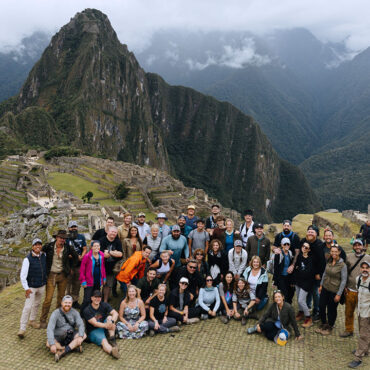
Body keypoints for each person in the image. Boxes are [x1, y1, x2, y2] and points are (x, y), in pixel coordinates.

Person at [39, 230, 78, 328]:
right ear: (56, 237)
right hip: (51, 276)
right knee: (48, 299)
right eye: (61, 238)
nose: (62, 240)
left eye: (64, 238)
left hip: (63, 275)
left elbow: (76, 257)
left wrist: (71, 268)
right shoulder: (49, 246)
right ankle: (43, 320)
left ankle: (56, 318)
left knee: (60, 298)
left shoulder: (68, 248)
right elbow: (39, 252)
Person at [341, 239, 370, 338]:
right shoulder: (348, 256)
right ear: (353, 247)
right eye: (355, 245)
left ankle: (363, 334)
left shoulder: (368, 258)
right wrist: (344, 285)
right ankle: (349, 330)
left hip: (363, 291)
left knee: (363, 315)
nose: (357, 247)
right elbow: (345, 272)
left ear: (362, 246)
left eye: (359, 245)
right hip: (350, 289)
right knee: (348, 311)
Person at [316, 245, 347, 335]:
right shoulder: (329, 261)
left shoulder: (342, 265)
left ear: (339, 252)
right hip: (325, 287)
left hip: (334, 290)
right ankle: (324, 323)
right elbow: (325, 273)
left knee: (331, 309)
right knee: (321, 306)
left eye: (335, 251)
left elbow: (344, 280)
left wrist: (339, 294)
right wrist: (321, 285)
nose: (333, 253)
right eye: (332, 251)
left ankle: (330, 325)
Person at [18, 238, 47, 338]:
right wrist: (26, 288)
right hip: (31, 287)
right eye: (36, 245)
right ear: (32, 247)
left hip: (42, 285)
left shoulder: (44, 256)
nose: (38, 246)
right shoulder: (27, 259)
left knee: (37, 304)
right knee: (27, 307)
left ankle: (32, 321)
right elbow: (23, 276)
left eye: (39, 244)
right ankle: (22, 329)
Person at [46, 295, 86, 362]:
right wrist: (52, 344)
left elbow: (81, 324)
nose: (67, 305)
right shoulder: (55, 313)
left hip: (71, 334)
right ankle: (72, 347)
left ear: (72, 303)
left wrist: (81, 336)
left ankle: (62, 351)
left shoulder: (75, 312)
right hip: (58, 336)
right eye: (65, 303)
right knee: (48, 343)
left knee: (84, 335)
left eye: (69, 303)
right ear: (62, 303)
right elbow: (50, 329)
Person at [83, 290, 120, 359]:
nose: (97, 299)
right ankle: (112, 351)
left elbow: (115, 313)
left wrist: (111, 322)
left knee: (110, 317)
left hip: (104, 327)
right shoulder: (87, 310)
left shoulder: (104, 304)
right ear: (91, 298)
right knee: (104, 342)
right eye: (95, 297)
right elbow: (95, 323)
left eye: (99, 297)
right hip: (94, 331)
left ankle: (112, 339)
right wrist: (106, 325)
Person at [348, 261, 370, 368]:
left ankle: (358, 358)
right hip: (361, 311)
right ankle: (365, 350)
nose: (365, 270)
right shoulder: (358, 279)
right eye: (363, 268)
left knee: (363, 335)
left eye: (367, 268)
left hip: (368, 313)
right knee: (365, 332)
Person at [302, 225, 325, 322]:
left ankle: (317, 310)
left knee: (315, 292)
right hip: (307, 272)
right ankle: (307, 307)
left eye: (312, 232)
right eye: (309, 231)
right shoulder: (303, 241)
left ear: (316, 234)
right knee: (308, 291)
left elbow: (322, 261)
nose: (310, 233)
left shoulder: (319, 244)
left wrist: (319, 273)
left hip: (316, 273)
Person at [79, 240, 106, 315]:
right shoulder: (87, 256)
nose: (97, 247)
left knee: (96, 298)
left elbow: (103, 267)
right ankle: (82, 314)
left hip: (98, 280)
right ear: (91, 247)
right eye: (95, 246)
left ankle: (93, 312)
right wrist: (83, 281)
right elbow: (82, 270)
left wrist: (104, 278)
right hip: (89, 281)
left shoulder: (102, 255)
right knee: (87, 299)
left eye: (98, 246)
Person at [293, 241, 315, 328]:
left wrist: (299, 271)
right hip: (298, 281)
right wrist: (299, 271)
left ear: (309, 250)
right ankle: (301, 312)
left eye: (306, 247)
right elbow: (296, 268)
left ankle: (309, 318)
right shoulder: (299, 256)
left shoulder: (311, 259)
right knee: (298, 298)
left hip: (307, 283)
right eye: (303, 246)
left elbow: (308, 272)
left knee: (301, 300)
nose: (304, 248)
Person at [66, 221, 87, 309]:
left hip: (79, 265)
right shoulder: (66, 238)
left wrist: (82, 256)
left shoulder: (81, 237)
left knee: (77, 284)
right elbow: (65, 251)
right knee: (68, 285)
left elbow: (84, 248)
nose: (74, 228)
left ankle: (75, 301)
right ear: (69, 228)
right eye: (72, 227)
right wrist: (73, 256)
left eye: (75, 227)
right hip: (69, 265)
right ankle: (67, 302)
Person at [99, 226, 123, 302]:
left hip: (111, 267)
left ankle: (105, 301)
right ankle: (97, 299)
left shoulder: (117, 241)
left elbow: (120, 254)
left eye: (115, 232)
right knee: (98, 285)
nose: (113, 233)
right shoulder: (102, 241)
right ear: (108, 232)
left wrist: (109, 252)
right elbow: (103, 255)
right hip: (101, 266)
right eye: (112, 231)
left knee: (108, 285)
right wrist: (114, 252)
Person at [273, 238, 294, 304]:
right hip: (281, 277)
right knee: (284, 294)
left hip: (288, 277)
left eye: (288, 244)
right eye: (285, 244)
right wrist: (275, 281)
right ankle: (283, 307)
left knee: (290, 293)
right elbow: (275, 268)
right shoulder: (278, 254)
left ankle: (288, 307)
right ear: (282, 245)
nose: (287, 245)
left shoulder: (290, 253)